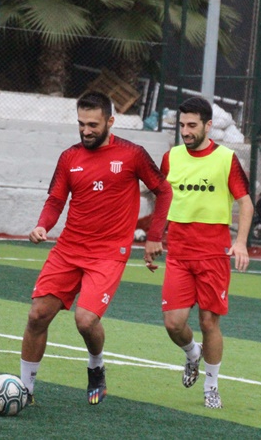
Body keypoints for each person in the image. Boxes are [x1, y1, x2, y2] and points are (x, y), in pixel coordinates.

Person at [20, 91, 172, 405]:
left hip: (108, 253)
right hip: (68, 249)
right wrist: (42, 225)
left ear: (110, 121)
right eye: (81, 124)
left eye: (93, 124)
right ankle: (25, 390)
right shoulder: (69, 158)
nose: (86, 130)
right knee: (37, 316)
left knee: (86, 320)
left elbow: (164, 190)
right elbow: (56, 200)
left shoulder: (132, 154)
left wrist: (155, 236)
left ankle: (96, 365)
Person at [159, 96, 254, 409]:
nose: (185, 131)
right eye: (182, 125)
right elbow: (162, 199)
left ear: (208, 126)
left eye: (192, 125)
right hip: (178, 252)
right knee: (173, 323)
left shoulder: (226, 159)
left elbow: (246, 203)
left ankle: (211, 387)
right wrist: (154, 237)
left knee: (209, 322)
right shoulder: (171, 158)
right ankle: (192, 353)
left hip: (213, 253)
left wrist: (240, 242)